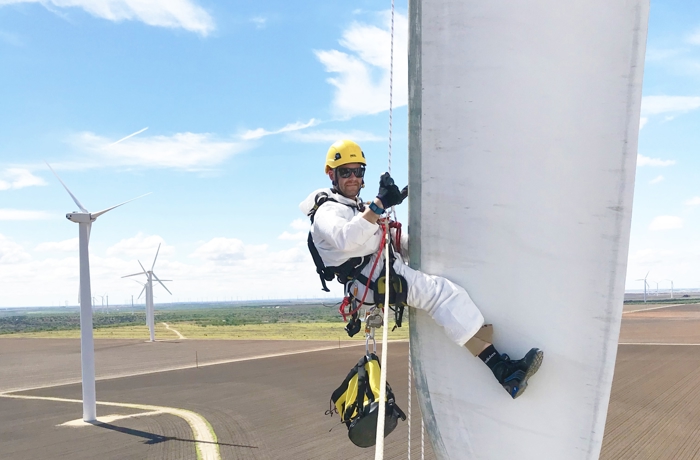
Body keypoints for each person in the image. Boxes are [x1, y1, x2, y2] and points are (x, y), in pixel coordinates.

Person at [300, 139, 543, 399]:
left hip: (381, 269)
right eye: (345, 172)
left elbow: (381, 239)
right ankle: (504, 371)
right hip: (372, 280)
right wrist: (379, 205)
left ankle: (504, 370)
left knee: (436, 273)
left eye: (358, 171)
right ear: (331, 174)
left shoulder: (354, 208)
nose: (352, 178)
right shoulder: (328, 212)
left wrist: (425, 240)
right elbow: (347, 239)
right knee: (443, 294)